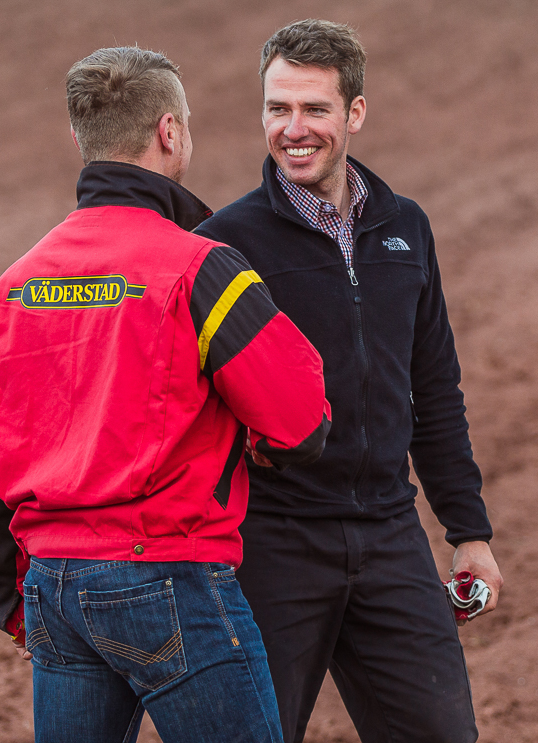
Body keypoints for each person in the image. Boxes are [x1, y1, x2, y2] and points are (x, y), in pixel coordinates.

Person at [0, 45, 330, 743]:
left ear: (82, 139)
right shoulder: (201, 269)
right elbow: (303, 421)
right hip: (169, 577)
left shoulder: (12, 287)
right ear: (169, 131)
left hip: (54, 590)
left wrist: (14, 606)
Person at [195, 19, 502, 743]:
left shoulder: (405, 229)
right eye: (277, 108)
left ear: (355, 113)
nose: (293, 129)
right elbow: (188, 407)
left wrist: (469, 531)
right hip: (273, 540)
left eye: (314, 109)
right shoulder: (224, 244)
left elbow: (433, 386)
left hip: (389, 531)